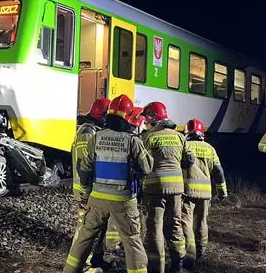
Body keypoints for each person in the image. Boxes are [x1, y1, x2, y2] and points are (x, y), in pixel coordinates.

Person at [64, 94, 153, 273]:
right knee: (132, 240)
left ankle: (70, 270)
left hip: (97, 199)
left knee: (84, 238)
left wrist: (85, 194)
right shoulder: (132, 141)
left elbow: (84, 169)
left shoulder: (96, 138)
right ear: (127, 117)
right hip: (123, 201)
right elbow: (148, 167)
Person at [140, 101, 195, 273]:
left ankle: (157, 268)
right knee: (175, 227)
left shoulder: (148, 137)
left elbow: (142, 163)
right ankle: (177, 267)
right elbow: (190, 160)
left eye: (147, 118)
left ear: (153, 118)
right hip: (176, 189)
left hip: (155, 189)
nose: (145, 122)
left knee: (155, 229)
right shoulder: (179, 136)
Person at [71, 98, 121, 270]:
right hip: (87, 190)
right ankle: (83, 265)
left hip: (95, 190)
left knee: (99, 228)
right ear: (103, 115)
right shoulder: (87, 132)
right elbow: (85, 163)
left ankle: (96, 260)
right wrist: (87, 192)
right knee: (85, 229)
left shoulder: (95, 130)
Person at [181, 119, 228, 269]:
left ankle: (189, 256)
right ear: (202, 133)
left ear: (187, 133)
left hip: (186, 192)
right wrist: (222, 192)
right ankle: (200, 252)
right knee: (201, 223)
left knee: (186, 224)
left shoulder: (184, 146)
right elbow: (219, 172)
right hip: (205, 193)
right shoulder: (210, 149)